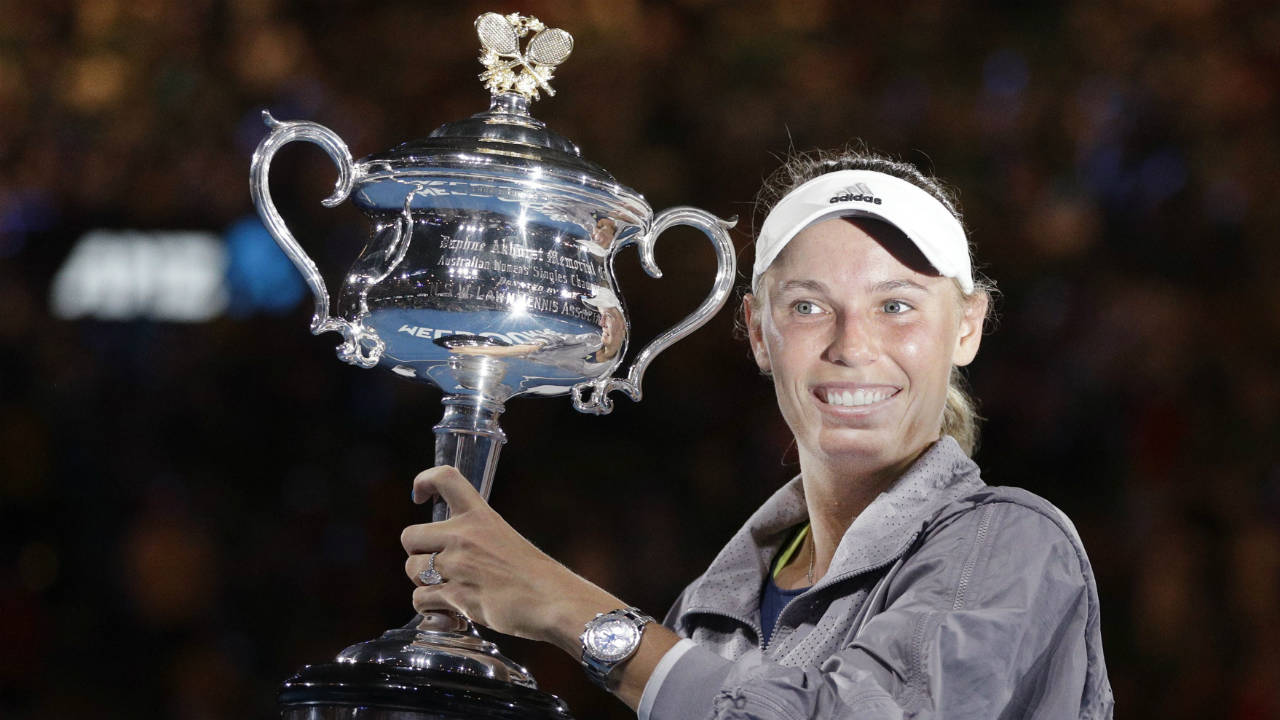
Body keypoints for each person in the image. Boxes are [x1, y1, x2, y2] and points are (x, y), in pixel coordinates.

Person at [400, 148, 1115, 719]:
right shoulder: (709, 612)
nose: (852, 345)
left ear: (966, 327)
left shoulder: (1014, 544)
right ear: (757, 332)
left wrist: (568, 608)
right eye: (808, 306)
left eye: (896, 305)